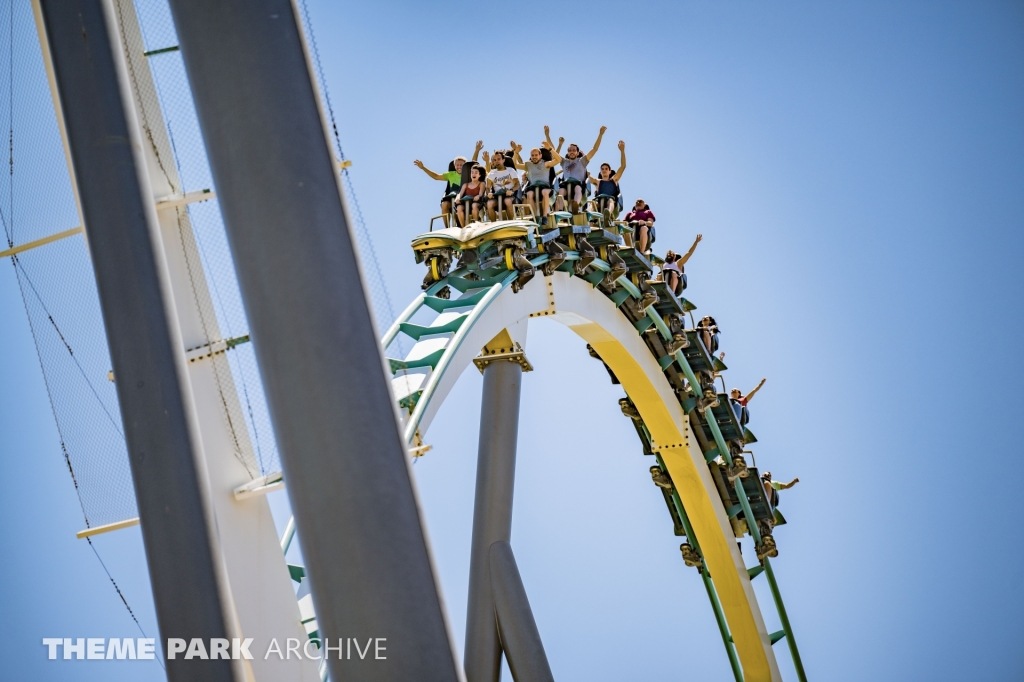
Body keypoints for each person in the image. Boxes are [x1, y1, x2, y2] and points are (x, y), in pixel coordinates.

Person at [413, 141, 484, 227]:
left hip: (466, 199)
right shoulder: (450, 174)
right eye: (457, 165)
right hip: (453, 199)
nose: (459, 167)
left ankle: (473, 223)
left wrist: (476, 150)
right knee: (444, 204)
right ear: (454, 166)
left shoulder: (469, 173)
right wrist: (423, 167)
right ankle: (447, 227)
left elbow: (473, 163)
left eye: (461, 165)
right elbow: (436, 176)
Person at [547, 125, 607, 213]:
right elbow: (554, 153)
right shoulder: (564, 162)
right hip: (566, 185)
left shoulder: (582, 161)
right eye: (570, 150)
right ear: (567, 152)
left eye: (574, 150)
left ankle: (576, 205)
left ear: (577, 152)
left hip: (578, 185)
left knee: (577, 188)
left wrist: (600, 134)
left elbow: (594, 149)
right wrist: (547, 138)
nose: (572, 152)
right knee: (561, 191)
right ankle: (560, 211)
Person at [510, 140, 561, 219]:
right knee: (529, 194)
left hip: (545, 187)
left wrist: (550, 149)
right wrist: (516, 152)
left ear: (540, 156)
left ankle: (544, 216)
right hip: (533, 187)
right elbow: (515, 165)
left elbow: (558, 160)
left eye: (536, 155)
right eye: (532, 155)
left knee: (544, 192)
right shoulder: (528, 165)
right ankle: (536, 217)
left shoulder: (545, 163)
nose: (534, 157)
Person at [587, 140, 627, 217]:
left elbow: (623, 166)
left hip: (611, 202)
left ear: (610, 171)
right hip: (599, 201)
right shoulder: (598, 182)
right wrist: (586, 173)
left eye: (606, 169)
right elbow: (584, 175)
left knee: (610, 201)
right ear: (600, 172)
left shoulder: (614, 180)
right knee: (594, 203)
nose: (604, 170)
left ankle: (607, 214)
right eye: (602, 169)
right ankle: (588, 213)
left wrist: (622, 151)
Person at [484, 150, 520, 221]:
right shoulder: (492, 173)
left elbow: (517, 184)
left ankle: (510, 222)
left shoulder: (511, 170)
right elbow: (488, 187)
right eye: (494, 160)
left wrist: (511, 191)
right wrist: (489, 193)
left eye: (499, 159)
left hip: (510, 195)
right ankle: (494, 224)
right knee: (490, 203)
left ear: (503, 160)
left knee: (507, 201)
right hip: (497, 197)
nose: (497, 161)